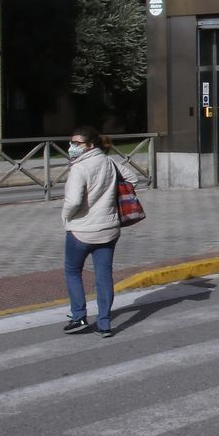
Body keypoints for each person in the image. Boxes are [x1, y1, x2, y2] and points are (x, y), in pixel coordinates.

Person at [61, 126, 121, 337]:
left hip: (82, 230)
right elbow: (132, 180)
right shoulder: (110, 161)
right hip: (109, 229)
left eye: (77, 144)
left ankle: (79, 316)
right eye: (71, 143)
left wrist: (65, 215)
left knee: (72, 271)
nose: (72, 147)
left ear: (90, 145)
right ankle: (104, 323)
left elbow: (74, 200)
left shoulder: (79, 167)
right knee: (104, 275)